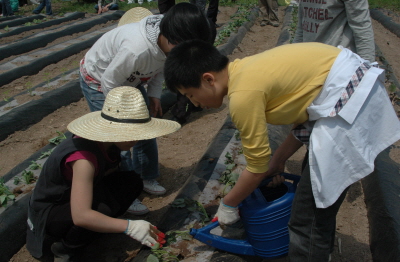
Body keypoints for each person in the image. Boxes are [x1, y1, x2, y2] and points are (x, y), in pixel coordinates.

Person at [164, 40, 400, 261]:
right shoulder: (246, 70)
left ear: (208, 79)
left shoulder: (243, 95)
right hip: (347, 98)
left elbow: (256, 168)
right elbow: (307, 117)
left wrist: (228, 203)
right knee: (316, 201)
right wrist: (278, 160)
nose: (194, 103)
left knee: (305, 220)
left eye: (190, 95)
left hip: (350, 109)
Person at [79, 3, 214, 215]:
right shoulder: (136, 50)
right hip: (100, 80)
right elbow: (109, 80)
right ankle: (124, 193)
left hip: (131, 80)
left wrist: (154, 95)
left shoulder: (170, 37)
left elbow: (160, 66)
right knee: (118, 140)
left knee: (145, 129)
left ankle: (145, 177)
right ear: (173, 41)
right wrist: (120, 116)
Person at [26, 87, 181, 262]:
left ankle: (96, 228)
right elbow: (81, 215)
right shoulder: (84, 159)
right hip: (50, 214)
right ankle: (65, 248)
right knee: (101, 209)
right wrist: (129, 226)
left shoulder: (110, 145)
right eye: (131, 134)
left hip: (73, 198)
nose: (136, 139)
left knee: (131, 182)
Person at [293, 0, 375, 62]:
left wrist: (367, 69)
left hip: (338, 65)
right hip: (310, 62)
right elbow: (302, 27)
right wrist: (294, 58)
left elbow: (361, 27)